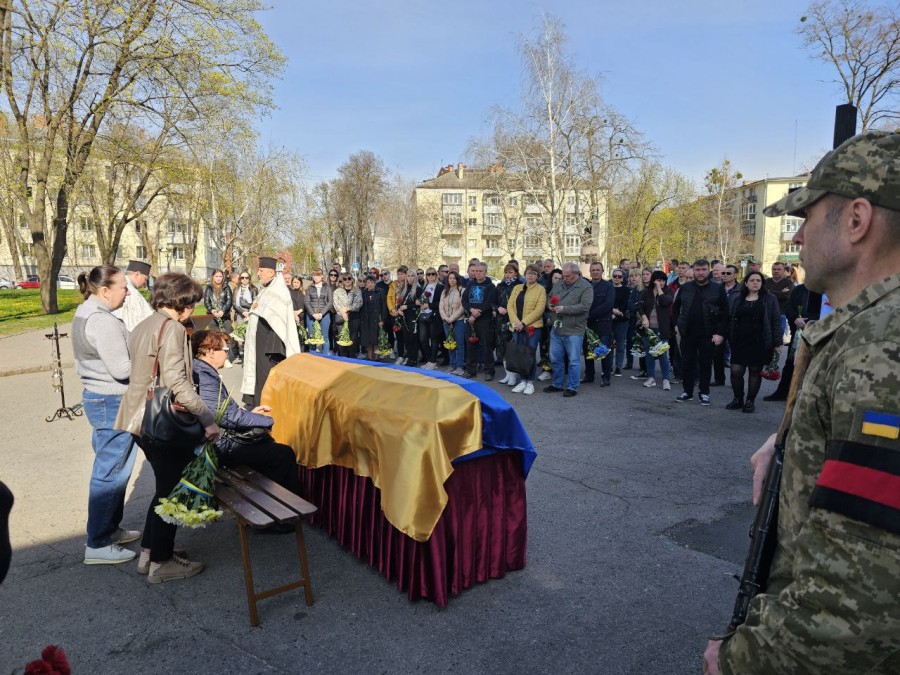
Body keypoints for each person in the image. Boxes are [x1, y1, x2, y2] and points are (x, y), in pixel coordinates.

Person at [704, 130, 900, 674]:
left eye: (806, 219)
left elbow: (863, 597)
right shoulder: (868, 332)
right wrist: (791, 440)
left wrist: (743, 659)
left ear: (857, 220)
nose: (796, 239)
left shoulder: (882, 347)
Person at [115, 272, 219, 584]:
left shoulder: (144, 324)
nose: (192, 309)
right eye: (192, 303)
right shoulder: (171, 327)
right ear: (184, 302)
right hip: (160, 419)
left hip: (138, 417)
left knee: (164, 488)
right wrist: (207, 419)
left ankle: (150, 552)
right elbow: (176, 381)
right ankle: (161, 562)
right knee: (171, 493)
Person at [72, 264, 140, 565]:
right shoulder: (101, 320)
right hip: (111, 400)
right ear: (104, 290)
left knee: (116, 470)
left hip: (104, 399)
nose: (127, 292)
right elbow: (122, 369)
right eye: (123, 286)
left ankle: (108, 530)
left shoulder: (90, 312)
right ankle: (98, 543)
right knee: (110, 473)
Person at [191, 330, 301, 501]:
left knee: (266, 446)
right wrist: (266, 420)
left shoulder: (199, 368)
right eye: (225, 351)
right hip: (219, 444)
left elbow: (227, 412)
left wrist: (251, 414)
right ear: (211, 352)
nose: (227, 354)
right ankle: (282, 510)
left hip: (217, 438)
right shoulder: (204, 376)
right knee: (282, 454)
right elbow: (229, 417)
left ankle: (269, 502)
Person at [241, 257, 302, 408]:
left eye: (261, 271)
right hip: (259, 342)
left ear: (272, 272)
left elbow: (280, 321)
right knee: (257, 374)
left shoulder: (279, 291)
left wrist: (272, 348)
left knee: (265, 376)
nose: (258, 273)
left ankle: (266, 410)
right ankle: (257, 406)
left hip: (270, 346)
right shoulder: (266, 289)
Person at [672, 259, 729, 406]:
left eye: (704, 269)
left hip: (708, 333)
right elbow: (675, 307)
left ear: (708, 271)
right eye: (697, 270)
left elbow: (725, 313)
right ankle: (687, 391)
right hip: (687, 333)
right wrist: (677, 324)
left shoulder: (717, 288)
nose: (700, 272)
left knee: (705, 364)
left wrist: (720, 333)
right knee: (687, 363)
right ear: (694, 270)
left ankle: (704, 393)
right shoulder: (686, 288)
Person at [724, 271, 781, 413]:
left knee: (755, 371)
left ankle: (750, 401)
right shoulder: (738, 298)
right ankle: (738, 399)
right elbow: (731, 319)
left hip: (759, 342)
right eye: (752, 280)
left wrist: (777, 343)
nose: (755, 283)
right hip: (739, 341)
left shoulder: (770, 299)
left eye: (758, 280)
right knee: (736, 371)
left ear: (762, 284)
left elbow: (775, 321)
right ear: (746, 283)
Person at [543, 261, 593, 397]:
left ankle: (572, 386)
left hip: (574, 328)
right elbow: (549, 297)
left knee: (574, 360)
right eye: (564, 276)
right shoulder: (560, 284)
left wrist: (565, 309)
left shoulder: (586, 287)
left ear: (576, 274)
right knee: (555, 358)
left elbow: (585, 306)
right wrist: (550, 306)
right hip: (557, 327)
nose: (565, 278)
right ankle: (557, 383)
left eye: (568, 276)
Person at [507, 263, 546, 395]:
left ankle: (530, 382)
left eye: (534, 273)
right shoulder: (517, 287)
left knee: (530, 355)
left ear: (537, 276)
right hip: (517, 327)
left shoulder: (541, 289)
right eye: (529, 273)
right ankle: (522, 381)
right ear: (525, 274)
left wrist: (523, 322)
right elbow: (510, 306)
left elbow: (539, 309)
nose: (530, 275)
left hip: (532, 328)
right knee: (520, 354)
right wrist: (516, 323)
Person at [637, 270, 673, 390]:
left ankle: (666, 379)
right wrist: (644, 318)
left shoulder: (668, 291)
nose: (660, 282)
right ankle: (651, 377)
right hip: (648, 328)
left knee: (662, 354)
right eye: (658, 280)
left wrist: (659, 290)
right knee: (649, 354)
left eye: (663, 280)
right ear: (653, 280)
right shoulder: (645, 292)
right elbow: (640, 307)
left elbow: (665, 302)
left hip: (662, 328)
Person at [461, 261, 498, 380]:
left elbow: (488, 303)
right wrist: (471, 310)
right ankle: (471, 370)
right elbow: (464, 300)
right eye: (476, 271)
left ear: (486, 272)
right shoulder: (471, 284)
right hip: (471, 318)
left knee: (487, 346)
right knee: (471, 345)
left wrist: (476, 314)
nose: (477, 273)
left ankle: (489, 371)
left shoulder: (490, 286)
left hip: (484, 320)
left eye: (480, 271)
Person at [584, 262, 615, 387]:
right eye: (593, 270)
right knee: (588, 351)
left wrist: (589, 314)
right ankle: (589, 375)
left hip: (603, 324)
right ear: (590, 272)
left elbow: (608, 305)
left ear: (602, 271)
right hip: (588, 325)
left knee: (604, 352)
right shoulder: (586, 286)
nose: (595, 272)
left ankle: (606, 376)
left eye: (598, 270)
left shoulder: (608, 286)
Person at [496, 263, 522, 385]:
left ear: (516, 273)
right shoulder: (500, 286)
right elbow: (493, 301)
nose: (508, 275)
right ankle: (507, 374)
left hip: (514, 319)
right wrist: (497, 308)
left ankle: (513, 376)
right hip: (502, 320)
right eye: (506, 272)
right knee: (503, 347)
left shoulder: (520, 286)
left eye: (510, 272)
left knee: (512, 347)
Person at [203, 268, 235, 365]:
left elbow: (229, 301)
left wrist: (223, 310)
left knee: (226, 336)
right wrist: (211, 310)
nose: (218, 278)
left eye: (220, 276)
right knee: (214, 338)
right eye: (216, 276)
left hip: (224, 316)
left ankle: (226, 358)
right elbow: (206, 301)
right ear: (213, 277)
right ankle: (216, 359)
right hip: (212, 316)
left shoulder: (226, 287)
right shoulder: (208, 288)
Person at [112, 259, 153, 331]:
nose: (145, 282)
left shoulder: (116, 286)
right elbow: (138, 322)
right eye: (145, 279)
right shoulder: (133, 293)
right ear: (137, 274)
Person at [439, 270, 466, 375]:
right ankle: (452, 365)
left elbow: (462, 307)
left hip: (458, 321)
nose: (452, 280)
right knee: (450, 344)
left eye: (454, 278)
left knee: (459, 344)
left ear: (457, 279)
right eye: (450, 278)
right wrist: (446, 318)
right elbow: (441, 307)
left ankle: (459, 366)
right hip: (446, 321)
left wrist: (452, 319)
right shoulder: (444, 291)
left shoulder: (462, 290)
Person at [303, 267, 334, 356]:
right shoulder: (309, 288)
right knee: (312, 338)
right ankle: (313, 356)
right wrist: (313, 314)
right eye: (314, 275)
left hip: (324, 315)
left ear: (322, 276)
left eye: (318, 275)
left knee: (325, 337)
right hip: (311, 316)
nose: (316, 277)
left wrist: (321, 313)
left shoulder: (327, 287)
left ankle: (325, 357)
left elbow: (330, 302)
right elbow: (307, 302)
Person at [764, 261, 795, 342]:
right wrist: (780, 292)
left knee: (777, 340)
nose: (776, 271)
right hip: (766, 314)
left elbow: (786, 296)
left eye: (779, 269)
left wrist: (769, 291)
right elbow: (762, 294)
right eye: (774, 269)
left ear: (783, 270)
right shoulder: (766, 282)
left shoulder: (789, 283)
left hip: (781, 314)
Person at [418, 268, 442, 369]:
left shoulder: (440, 287)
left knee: (434, 339)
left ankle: (433, 361)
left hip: (434, 315)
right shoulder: (425, 286)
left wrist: (429, 305)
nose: (431, 276)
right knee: (423, 339)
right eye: (428, 274)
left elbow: (441, 302)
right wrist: (419, 302)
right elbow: (422, 299)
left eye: (433, 274)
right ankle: (429, 359)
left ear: (436, 275)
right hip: (423, 315)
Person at [333, 273, 362, 358]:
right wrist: (342, 313)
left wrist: (347, 309)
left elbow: (359, 303)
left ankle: (352, 357)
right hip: (341, 316)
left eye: (349, 278)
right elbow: (336, 303)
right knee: (342, 338)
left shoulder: (357, 290)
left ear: (352, 279)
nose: (347, 281)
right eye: (345, 279)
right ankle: (342, 357)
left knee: (353, 338)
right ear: (342, 280)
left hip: (354, 317)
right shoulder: (337, 291)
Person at [358, 275, 386, 360]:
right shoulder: (363, 292)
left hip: (377, 319)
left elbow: (384, 307)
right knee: (369, 340)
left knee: (376, 340)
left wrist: (383, 320)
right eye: (368, 282)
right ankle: (370, 358)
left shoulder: (380, 291)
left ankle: (377, 358)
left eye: (372, 282)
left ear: (375, 283)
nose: (370, 284)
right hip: (366, 320)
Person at [610, 269, 630, 376]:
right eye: (615, 276)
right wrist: (612, 311)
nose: (617, 278)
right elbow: (606, 302)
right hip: (609, 318)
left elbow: (626, 304)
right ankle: (608, 366)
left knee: (620, 344)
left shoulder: (626, 290)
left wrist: (617, 313)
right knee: (608, 344)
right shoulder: (608, 287)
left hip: (621, 320)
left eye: (619, 276)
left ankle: (618, 367)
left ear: (622, 278)